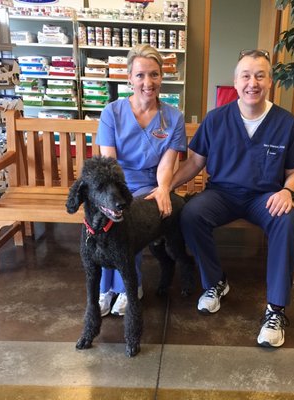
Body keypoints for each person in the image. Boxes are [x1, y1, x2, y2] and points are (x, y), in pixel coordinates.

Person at [171, 49, 294, 348]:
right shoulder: (216, 119)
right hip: (222, 193)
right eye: (246, 76)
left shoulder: (286, 124)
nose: (253, 82)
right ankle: (216, 282)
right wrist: (164, 187)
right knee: (190, 214)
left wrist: (289, 191)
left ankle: (275, 309)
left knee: (286, 222)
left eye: (260, 75)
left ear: (270, 82)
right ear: (235, 83)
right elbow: (194, 163)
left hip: (265, 197)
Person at [96, 43, 186, 317]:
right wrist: (116, 196)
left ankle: (128, 287)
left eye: (154, 74)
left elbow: (167, 163)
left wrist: (162, 189)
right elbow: (109, 163)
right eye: (140, 75)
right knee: (107, 219)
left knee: (130, 220)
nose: (148, 82)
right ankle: (106, 289)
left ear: (162, 77)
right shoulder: (112, 112)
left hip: (149, 184)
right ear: (129, 79)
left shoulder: (173, 117)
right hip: (115, 184)